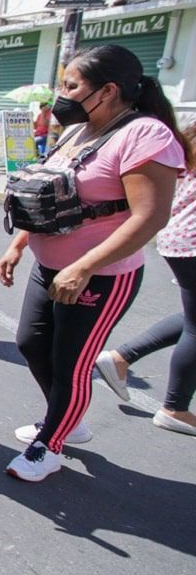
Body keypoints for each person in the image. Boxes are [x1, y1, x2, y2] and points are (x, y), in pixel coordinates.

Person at [0, 44, 185, 481]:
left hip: (99, 277)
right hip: (50, 268)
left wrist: (83, 267)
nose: (61, 93)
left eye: (71, 85)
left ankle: (51, 443)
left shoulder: (145, 135)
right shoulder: (77, 131)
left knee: (71, 363)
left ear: (107, 90)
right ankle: (68, 419)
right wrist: (19, 244)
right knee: (30, 343)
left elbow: (150, 216)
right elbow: (50, 194)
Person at [93, 122, 196, 435]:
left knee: (192, 317)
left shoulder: (188, 136)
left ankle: (121, 357)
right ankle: (175, 407)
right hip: (190, 241)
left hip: (180, 237)